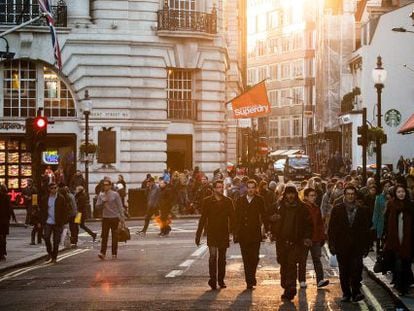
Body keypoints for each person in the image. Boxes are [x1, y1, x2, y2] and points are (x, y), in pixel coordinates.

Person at [268, 185, 312, 301]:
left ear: (296, 194)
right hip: (281, 241)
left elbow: (308, 224)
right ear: (285, 194)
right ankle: (286, 285)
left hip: (296, 241)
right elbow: (268, 216)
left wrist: (307, 237)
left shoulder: (302, 208)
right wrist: (272, 220)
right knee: (283, 263)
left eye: (292, 193)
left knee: (292, 264)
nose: (290, 196)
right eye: (288, 193)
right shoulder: (278, 206)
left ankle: (291, 288)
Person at [328, 184, 371, 303]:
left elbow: (365, 229)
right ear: (345, 195)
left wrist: (366, 246)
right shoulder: (337, 209)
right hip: (342, 246)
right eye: (348, 194)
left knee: (357, 270)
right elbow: (332, 228)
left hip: (357, 246)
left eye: (352, 194)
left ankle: (356, 292)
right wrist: (331, 244)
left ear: (355, 195)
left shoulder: (361, 210)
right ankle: (346, 293)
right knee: (344, 271)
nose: (350, 196)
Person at [195, 180, 235, 290]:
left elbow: (233, 218)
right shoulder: (207, 201)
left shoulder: (228, 201)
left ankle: (221, 280)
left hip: (223, 232)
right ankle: (213, 279)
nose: (220, 189)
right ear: (213, 189)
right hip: (212, 232)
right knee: (213, 257)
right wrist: (198, 235)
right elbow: (203, 218)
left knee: (222, 258)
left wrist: (234, 232)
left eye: (221, 187)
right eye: (218, 187)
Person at [234, 179, 268, 289]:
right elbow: (236, 217)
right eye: (249, 187)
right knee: (246, 258)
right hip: (243, 233)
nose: (251, 190)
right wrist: (235, 232)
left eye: (253, 187)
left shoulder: (259, 200)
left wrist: (266, 229)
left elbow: (264, 215)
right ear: (246, 188)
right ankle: (249, 281)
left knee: (255, 257)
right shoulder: (240, 200)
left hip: (255, 233)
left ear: (256, 188)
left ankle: (251, 276)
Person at [383, 184, 414, 296]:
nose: (401, 194)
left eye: (403, 192)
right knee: (398, 265)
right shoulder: (391, 205)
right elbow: (386, 222)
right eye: (399, 192)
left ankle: (404, 287)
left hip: (408, 241)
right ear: (395, 194)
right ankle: (400, 286)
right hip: (394, 240)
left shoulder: (410, 206)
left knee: (406, 265)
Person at [299, 188, 329, 288]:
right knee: (302, 260)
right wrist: (303, 237)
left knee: (317, 259)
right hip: (305, 238)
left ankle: (320, 280)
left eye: (314, 195)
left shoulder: (316, 207)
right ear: (306, 197)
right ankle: (302, 280)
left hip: (316, 238)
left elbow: (320, 223)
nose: (314, 197)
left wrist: (322, 236)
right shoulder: (302, 207)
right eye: (311, 195)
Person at [40, 182, 70, 263]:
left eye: (55, 188)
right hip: (48, 222)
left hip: (58, 223)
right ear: (49, 189)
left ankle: (54, 257)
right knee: (46, 238)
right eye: (52, 188)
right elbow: (42, 211)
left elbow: (65, 211)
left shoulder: (61, 198)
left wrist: (64, 222)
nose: (54, 190)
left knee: (56, 241)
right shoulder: (45, 199)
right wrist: (41, 221)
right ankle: (50, 253)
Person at [96, 179, 125, 260]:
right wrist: (102, 203)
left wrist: (122, 219)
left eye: (107, 185)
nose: (105, 186)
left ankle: (114, 253)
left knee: (114, 237)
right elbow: (97, 206)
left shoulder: (115, 194)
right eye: (104, 185)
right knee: (104, 236)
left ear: (110, 185)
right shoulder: (101, 195)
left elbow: (120, 207)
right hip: (105, 218)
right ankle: (102, 253)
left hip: (114, 218)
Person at [0, 184, 15, 261]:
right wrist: (13, 217)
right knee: (3, 237)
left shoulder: (5, 197)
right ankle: (3, 253)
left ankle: (2, 253)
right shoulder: (6, 197)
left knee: (1, 237)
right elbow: (10, 208)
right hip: (4, 221)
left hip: (3, 220)